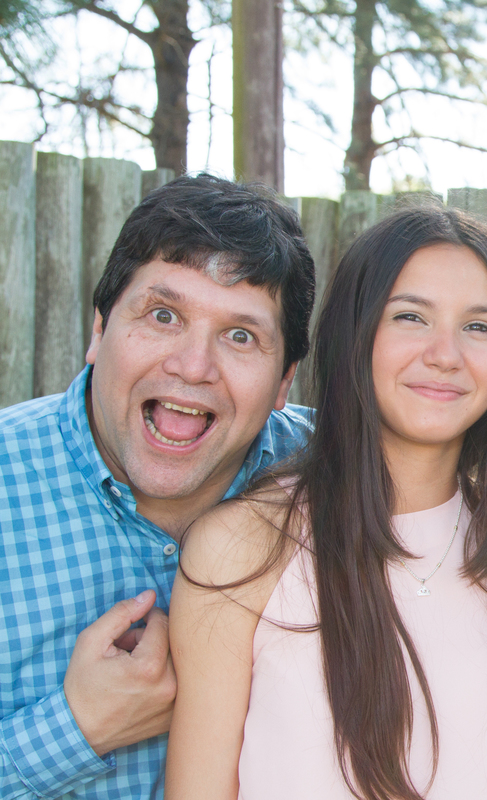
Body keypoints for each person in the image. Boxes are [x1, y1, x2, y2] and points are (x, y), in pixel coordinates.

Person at [166, 207, 487, 800]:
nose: (446, 354)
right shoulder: (242, 546)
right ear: (355, 333)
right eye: (410, 317)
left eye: (479, 327)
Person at [0, 175, 316, 800]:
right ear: (99, 330)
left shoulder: (342, 478)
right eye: (163, 315)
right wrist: (73, 730)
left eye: (240, 335)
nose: (193, 366)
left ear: (285, 381)